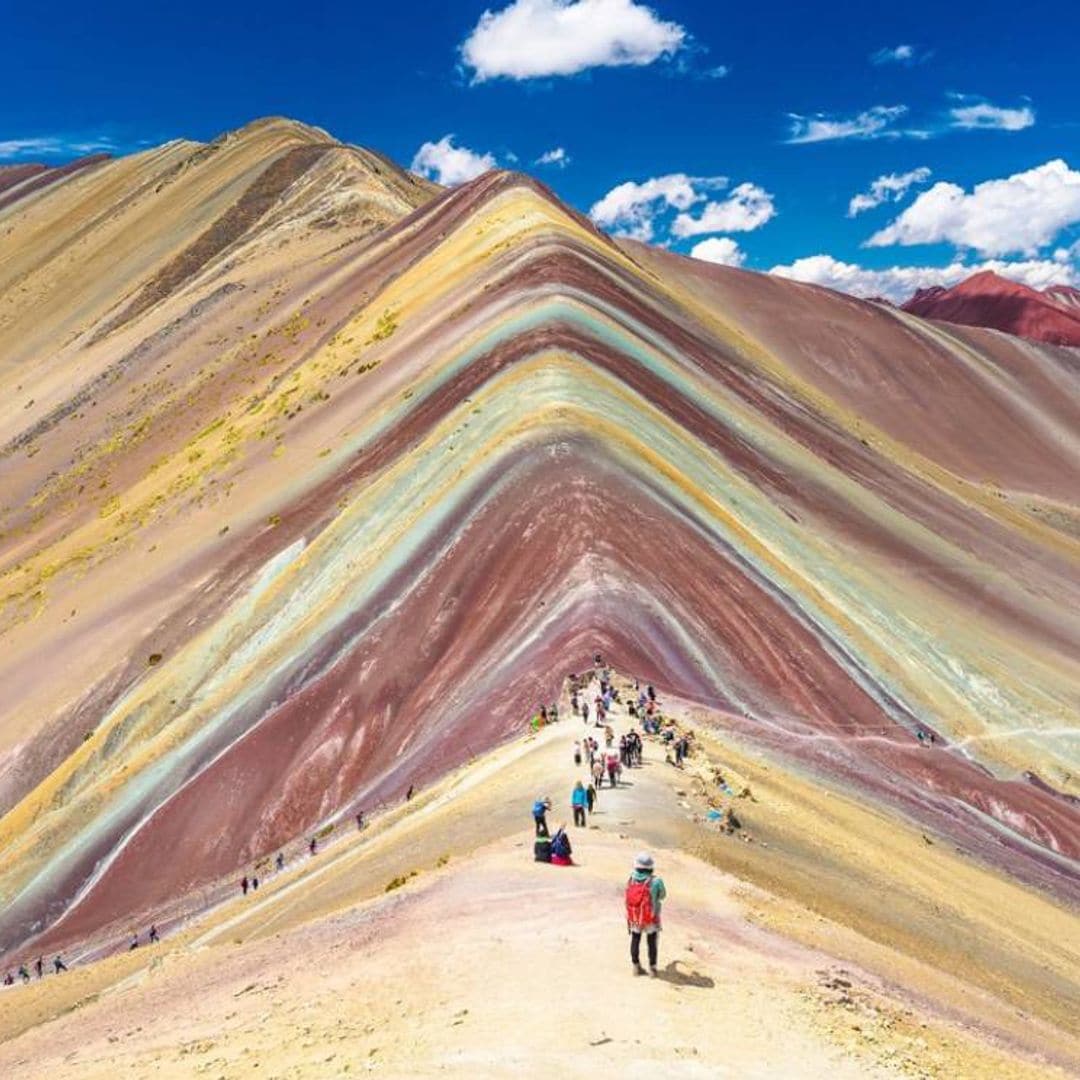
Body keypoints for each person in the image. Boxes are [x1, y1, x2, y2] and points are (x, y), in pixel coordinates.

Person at [625, 852, 666, 976]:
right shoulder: (656, 881)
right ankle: (652, 969)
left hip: (635, 916)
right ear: (651, 867)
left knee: (635, 939)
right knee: (652, 942)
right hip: (650, 917)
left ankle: (636, 967)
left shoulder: (631, 878)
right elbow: (663, 896)